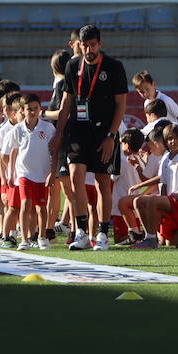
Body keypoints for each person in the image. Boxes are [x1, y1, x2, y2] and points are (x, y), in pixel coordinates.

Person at [52, 24, 128, 252]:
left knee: (103, 182)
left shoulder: (114, 67)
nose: (88, 49)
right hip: (78, 130)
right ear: (78, 45)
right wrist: (59, 133)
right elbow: (66, 101)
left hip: (104, 132)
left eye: (92, 45)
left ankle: (103, 233)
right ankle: (82, 232)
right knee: (75, 178)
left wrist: (111, 136)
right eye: (84, 45)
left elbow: (121, 105)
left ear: (100, 44)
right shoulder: (72, 65)